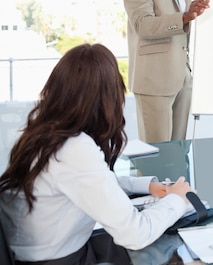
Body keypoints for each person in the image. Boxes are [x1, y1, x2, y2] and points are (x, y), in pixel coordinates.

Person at [0, 43, 195, 264]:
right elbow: (135, 233)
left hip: (45, 251)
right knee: (173, 250)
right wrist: (177, 200)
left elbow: (93, 183)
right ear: (107, 99)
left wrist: (147, 186)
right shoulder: (73, 147)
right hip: (60, 259)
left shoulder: (43, 133)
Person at [122, 0, 210, 143]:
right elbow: (142, 25)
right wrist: (185, 17)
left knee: (177, 150)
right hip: (154, 80)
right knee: (156, 154)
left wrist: (195, 14)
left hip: (183, 78)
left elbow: (185, 29)